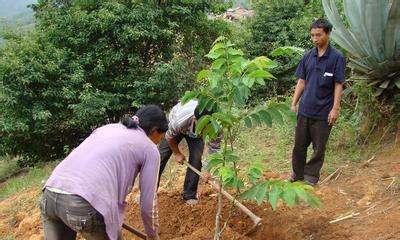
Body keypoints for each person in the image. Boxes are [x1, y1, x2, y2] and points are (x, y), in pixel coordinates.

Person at [39, 105, 168, 240]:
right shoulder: (149, 148)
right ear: (154, 130)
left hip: (50, 194)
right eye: (162, 135)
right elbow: (148, 206)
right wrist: (153, 236)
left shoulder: (108, 128)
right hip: (84, 202)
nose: (161, 140)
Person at [290, 19, 346, 186]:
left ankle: (311, 178)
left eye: (319, 35)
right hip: (305, 109)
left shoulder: (337, 58)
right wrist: (294, 103)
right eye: (312, 35)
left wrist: (335, 109)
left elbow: (338, 84)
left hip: (323, 113)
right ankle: (297, 175)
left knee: (318, 148)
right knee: (299, 146)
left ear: (327, 34)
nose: (315, 39)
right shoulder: (308, 56)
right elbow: (302, 81)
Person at [158, 99, 218, 205]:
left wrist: (208, 169)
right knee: (160, 157)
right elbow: (169, 137)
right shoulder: (180, 120)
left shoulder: (216, 126)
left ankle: (189, 194)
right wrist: (177, 153)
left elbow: (214, 149)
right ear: (195, 119)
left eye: (206, 127)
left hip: (193, 134)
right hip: (176, 129)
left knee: (196, 159)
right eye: (202, 126)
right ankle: (147, 192)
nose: (204, 129)